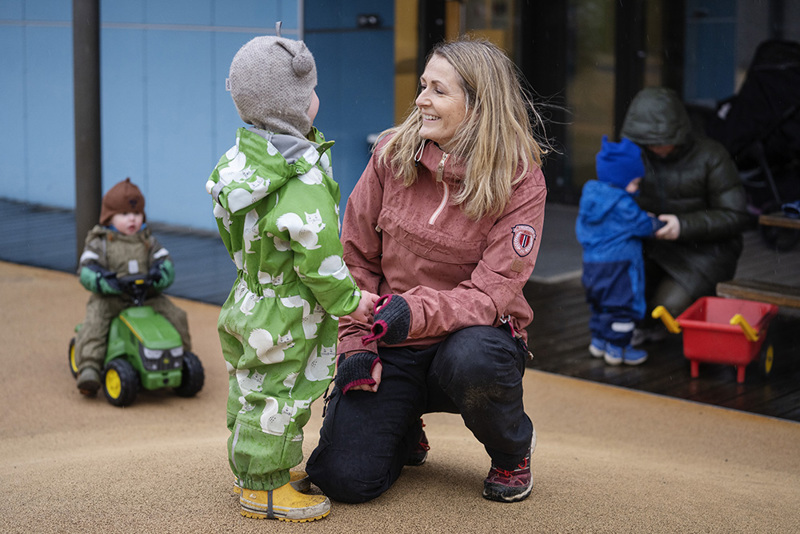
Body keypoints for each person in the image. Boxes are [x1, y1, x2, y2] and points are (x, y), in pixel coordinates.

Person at [305, 36, 548, 505]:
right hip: (389, 334)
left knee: (474, 361)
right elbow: (354, 259)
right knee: (343, 480)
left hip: (471, 340)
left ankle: (511, 451)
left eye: (438, 90)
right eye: (422, 86)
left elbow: (490, 293)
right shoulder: (391, 153)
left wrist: (410, 312)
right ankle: (401, 424)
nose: (420, 100)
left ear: (477, 106)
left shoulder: (520, 177)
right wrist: (356, 341)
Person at [206, 35, 377, 523]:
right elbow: (319, 257)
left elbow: (228, 228)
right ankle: (267, 490)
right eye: (314, 90)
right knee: (281, 394)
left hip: (248, 293)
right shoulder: (300, 179)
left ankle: (251, 471)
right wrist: (351, 301)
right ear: (300, 103)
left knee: (251, 385)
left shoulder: (238, 164)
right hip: (288, 309)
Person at [620, 87, 750, 345]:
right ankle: (643, 326)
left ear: (679, 132)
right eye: (649, 141)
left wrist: (682, 225)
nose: (655, 147)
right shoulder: (637, 155)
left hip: (706, 252)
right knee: (619, 288)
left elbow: (736, 216)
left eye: (661, 140)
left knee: (669, 306)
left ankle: (669, 326)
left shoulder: (711, 156)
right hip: (655, 246)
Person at [74, 177, 192, 395]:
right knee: (95, 321)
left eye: (137, 214)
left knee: (176, 315)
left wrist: (160, 274)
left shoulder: (147, 241)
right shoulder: (100, 241)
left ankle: (180, 356)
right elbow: (86, 268)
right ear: (110, 217)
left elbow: (165, 262)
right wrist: (102, 280)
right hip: (112, 298)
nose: (132, 219)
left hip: (147, 297)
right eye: (125, 214)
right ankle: (89, 366)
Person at [575, 136, 664, 366]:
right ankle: (618, 347)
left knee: (600, 304)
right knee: (622, 307)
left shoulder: (591, 198)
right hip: (620, 266)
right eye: (634, 183)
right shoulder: (622, 204)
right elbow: (642, 226)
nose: (636, 189)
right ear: (621, 179)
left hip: (592, 265)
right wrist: (657, 223)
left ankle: (599, 342)